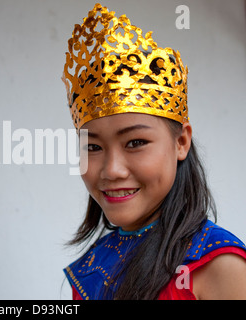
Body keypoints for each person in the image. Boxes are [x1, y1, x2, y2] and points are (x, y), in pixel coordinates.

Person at [62, 3, 246, 300]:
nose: (112, 170)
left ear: (181, 142)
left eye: (135, 143)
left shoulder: (217, 266)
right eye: (93, 147)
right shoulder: (90, 269)